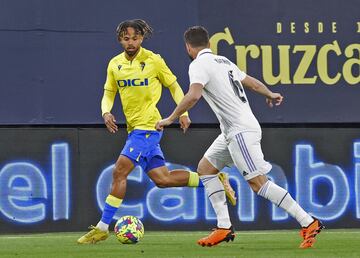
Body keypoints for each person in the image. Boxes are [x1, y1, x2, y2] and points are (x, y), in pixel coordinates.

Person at [156, 26, 324, 249]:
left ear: (188, 47)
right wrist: (270, 93)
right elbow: (253, 83)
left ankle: (308, 222)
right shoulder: (223, 61)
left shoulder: (198, 64)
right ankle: (224, 227)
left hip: (240, 132)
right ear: (209, 44)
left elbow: (194, 95)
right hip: (232, 131)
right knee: (205, 169)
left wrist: (171, 118)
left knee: (258, 184)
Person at [77, 20, 236, 244]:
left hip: (149, 128)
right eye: (125, 38)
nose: (130, 42)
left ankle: (103, 227)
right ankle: (212, 179)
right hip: (134, 130)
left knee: (119, 172)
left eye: (134, 38)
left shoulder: (154, 60)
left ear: (142, 38)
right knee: (163, 180)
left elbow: (173, 85)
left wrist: (183, 113)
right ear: (120, 39)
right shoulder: (114, 64)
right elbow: (109, 92)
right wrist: (106, 112)